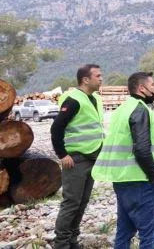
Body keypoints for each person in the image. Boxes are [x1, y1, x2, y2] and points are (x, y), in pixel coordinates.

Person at [92, 72, 154, 249]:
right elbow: (142, 149)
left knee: (124, 231)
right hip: (141, 181)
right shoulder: (140, 109)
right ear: (141, 88)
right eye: (152, 85)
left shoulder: (122, 109)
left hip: (122, 180)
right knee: (149, 233)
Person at [50, 64, 104, 249]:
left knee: (82, 202)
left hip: (92, 158)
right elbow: (56, 128)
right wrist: (62, 154)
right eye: (98, 75)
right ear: (86, 79)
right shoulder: (73, 99)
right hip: (76, 160)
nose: (101, 78)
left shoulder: (94, 98)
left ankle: (73, 241)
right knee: (71, 203)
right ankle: (62, 244)